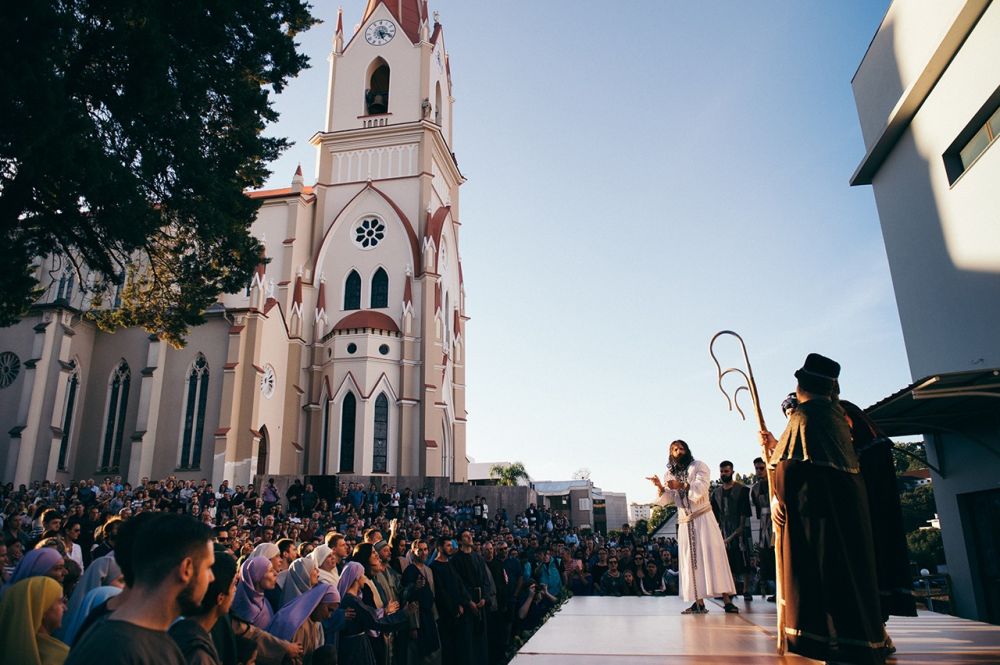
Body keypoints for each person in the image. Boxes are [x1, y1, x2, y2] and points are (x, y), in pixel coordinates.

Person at [759, 353, 889, 664]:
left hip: (816, 519)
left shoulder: (805, 416)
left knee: (823, 580)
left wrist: (777, 495)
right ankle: (860, 641)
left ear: (800, 386)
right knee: (848, 576)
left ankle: (828, 643)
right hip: (848, 514)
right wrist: (776, 445)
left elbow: (789, 467)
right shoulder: (835, 415)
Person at [67, 513, 215, 665]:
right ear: (187, 569)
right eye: (208, 567)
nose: (212, 578)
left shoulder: (161, 642)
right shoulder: (114, 650)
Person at [647, 439, 737, 614]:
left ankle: (727, 601)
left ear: (687, 450)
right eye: (674, 449)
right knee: (691, 562)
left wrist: (681, 485)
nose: (678, 451)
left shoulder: (698, 466)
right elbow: (669, 499)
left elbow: (701, 489)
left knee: (714, 556)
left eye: (681, 448)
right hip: (685, 521)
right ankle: (699, 602)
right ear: (670, 453)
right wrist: (660, 488)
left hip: (703, 517)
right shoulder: (669, 474)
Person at [170, 552, 239, 665]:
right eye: (233, 585)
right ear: (220, 598)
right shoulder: (198, 655)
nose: (235, 590)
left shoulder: (184, 629)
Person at [0, 576, 69, 665]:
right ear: (42, 608)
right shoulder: (60, 657)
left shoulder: (6, 644)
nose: (65, 608)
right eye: (60, 602)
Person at [710, 460, 753, 601]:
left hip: (740, 528)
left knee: (744, 558)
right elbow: (715, 516)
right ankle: (731, 589)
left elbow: (744, 513)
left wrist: (739, 529)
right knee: (727, 560)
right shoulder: (716, 493)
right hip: (724, 528)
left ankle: (746, 590)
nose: (723, 474)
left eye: (726, 471)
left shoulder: (742, 490)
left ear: (732, 472)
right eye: (722, 471)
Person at [267, 583, 340, 664]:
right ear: (318, 601)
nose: (329, 616)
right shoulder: (296, 624)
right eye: (329, 610)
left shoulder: (314, 622)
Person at [749, 456, 775, 602]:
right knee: (767, 557)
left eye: (761, 468)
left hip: (776, 521)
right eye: (756, 468)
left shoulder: (775, 482)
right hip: (764, 524)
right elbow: (759, 512)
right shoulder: (755, 489)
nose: (759, 471)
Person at [230, 557, 276, 630]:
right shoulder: (244, 610)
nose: (275, 573)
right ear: (257, 575)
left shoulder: (264, 601)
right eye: (270, 570)